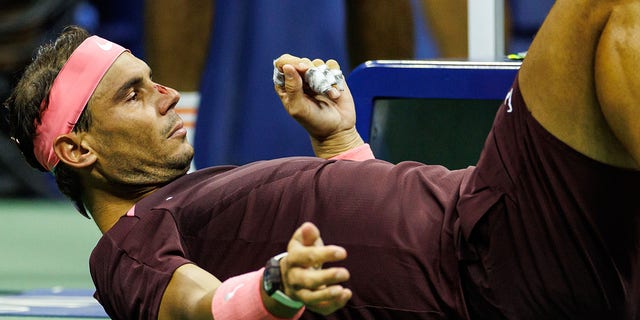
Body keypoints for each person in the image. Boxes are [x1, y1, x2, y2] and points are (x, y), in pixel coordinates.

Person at [4, 0, 640, 319]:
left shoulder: (199, 193)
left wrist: (340, 142)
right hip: (489, 256)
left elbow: (375, 240)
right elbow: (202, 307)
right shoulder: (126, 249)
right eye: (135, 94)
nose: (168, 93)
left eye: (153, 79)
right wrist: (277, 288)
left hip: (495, 233)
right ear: (78, 148)